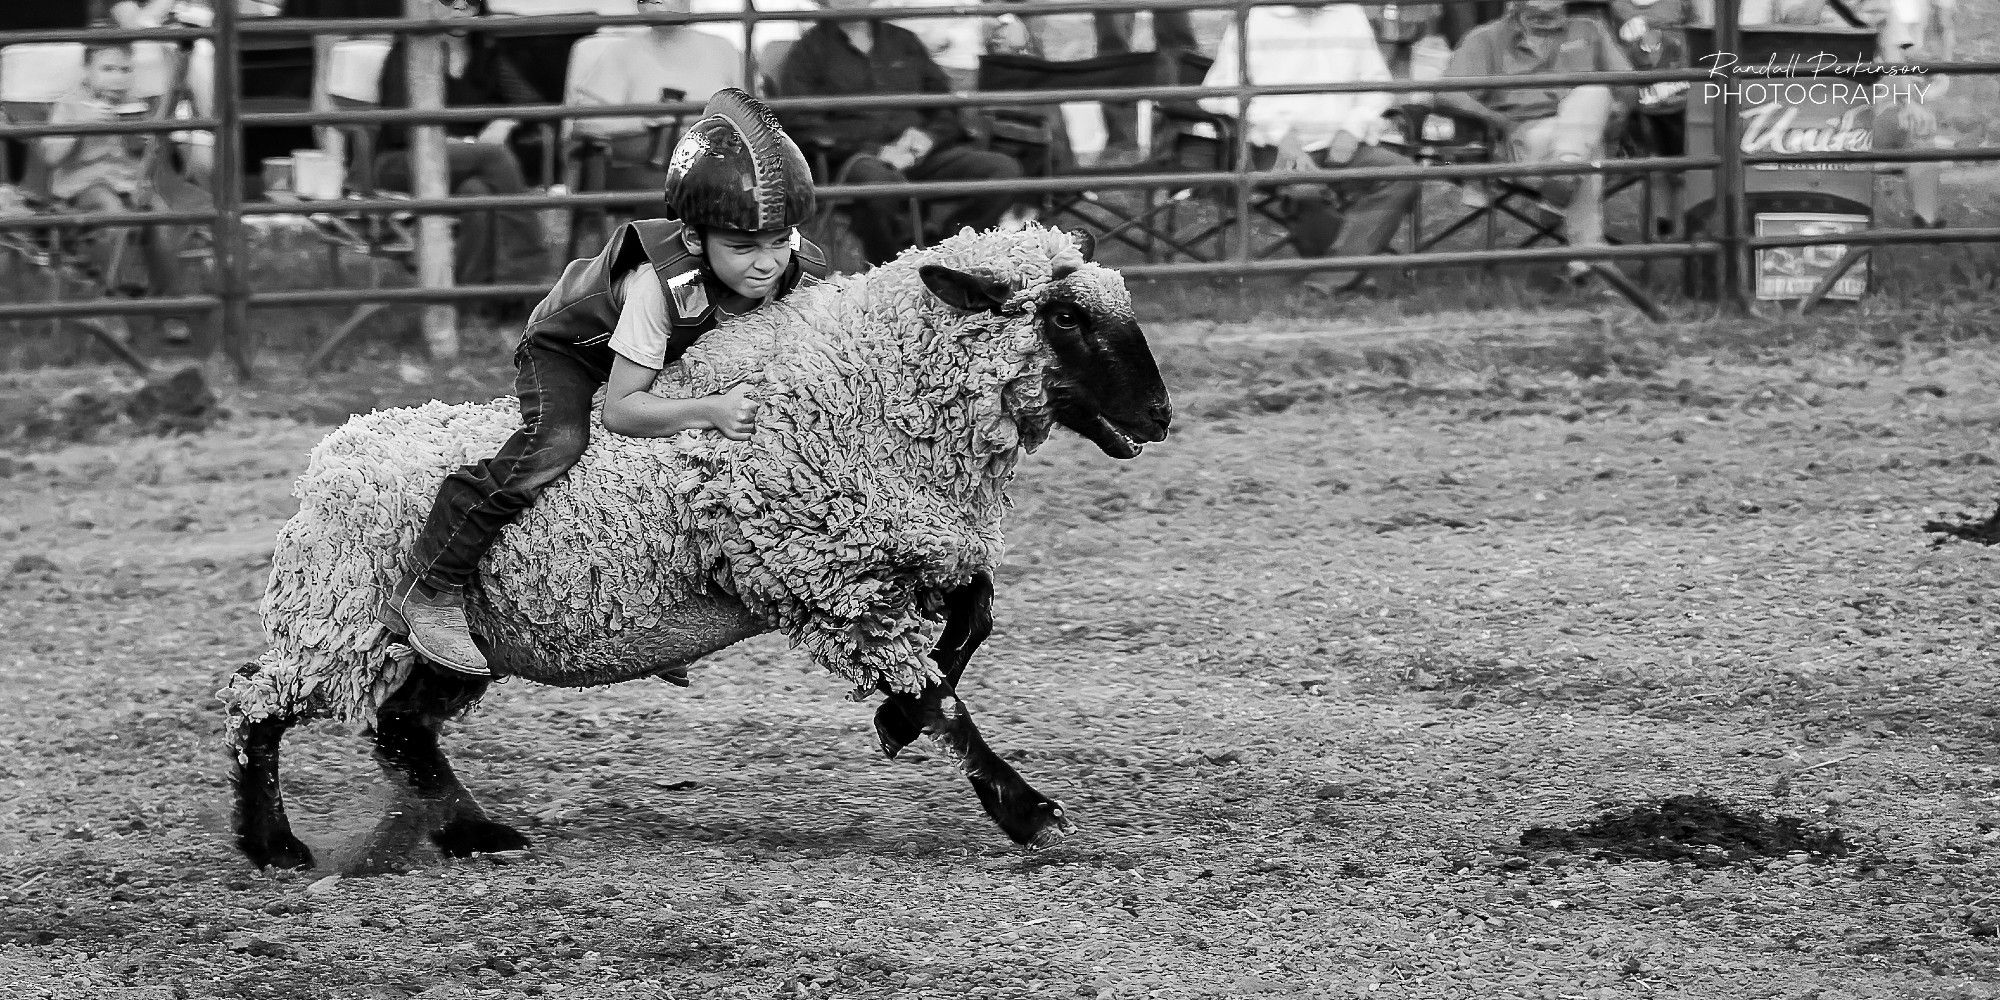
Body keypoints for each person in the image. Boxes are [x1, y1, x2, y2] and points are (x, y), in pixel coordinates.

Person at [378, 89, 830, 675]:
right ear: (696, 239)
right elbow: (620, 409)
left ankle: (658, 603)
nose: (767, 263)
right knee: (557, 445)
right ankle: (431, 585)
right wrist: (710, 409)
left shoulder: (797, 267)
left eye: (778, 242)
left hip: (674, 354)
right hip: (574, 352)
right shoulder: (657, 286)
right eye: (743, 247)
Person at [775, 0, 1024, 266]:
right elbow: (801, 124)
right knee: (877, 185)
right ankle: (893, 269)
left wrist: (928, 137)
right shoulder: (807, 52)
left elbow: (946, 106)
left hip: (922, 154)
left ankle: (948, 251)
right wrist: (876, 151)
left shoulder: (904, 40)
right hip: (857, 160)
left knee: (1003, 171)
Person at [1198, 2, 1420, 295]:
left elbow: (1377, 86)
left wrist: (1352, 128)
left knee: (1403, 174)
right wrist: (1280, 134)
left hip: (1342, 145)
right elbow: (1216, 91)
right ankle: (1356, 276)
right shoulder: (1254, 17)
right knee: (1305, 190)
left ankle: (1332, 280)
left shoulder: (1349, 13)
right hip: (1272, 148)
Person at [374, 0, 549, 298]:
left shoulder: (487, 55)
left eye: (469, 3)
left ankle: (471, 299)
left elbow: (533, 103)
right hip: (402, 160)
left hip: (467, 164)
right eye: (448, 1)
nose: (458, 9)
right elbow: (398, 128)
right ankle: (531, 272)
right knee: (494, 156)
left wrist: (506, 120)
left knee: (477, 192)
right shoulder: (407, 52)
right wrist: (455, 144)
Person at [41, 41, 209, 344]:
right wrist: (83, 126)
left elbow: (142, 156)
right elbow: (50, 156)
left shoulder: (133, 105)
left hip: (129, 185)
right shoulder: (71, 105)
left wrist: (142, 136)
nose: (117, 77)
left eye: (125, 69)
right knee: (113, 214)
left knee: (161, 217)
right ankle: (111, 305)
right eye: (107, 69)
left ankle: (169, 307)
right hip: (84, 188)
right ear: (86, 74)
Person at [1433, 0, 1634, 250]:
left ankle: (1564, 177)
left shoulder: (1590, 30)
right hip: (1526, 138)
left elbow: (1629, 83)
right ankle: (1589, 260)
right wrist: (1493, 118)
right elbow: (1446, 94)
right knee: (1587, 154)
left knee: (1594, 94)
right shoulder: (1486, 38)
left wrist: (1619, 113)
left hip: (1586, 131)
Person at [572, 0, 748, 199]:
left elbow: (749, 118)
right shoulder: (620, 53)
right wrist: (648, 121)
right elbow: (584, 123)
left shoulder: (724, 49)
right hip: (647, 171)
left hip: (720, 165)